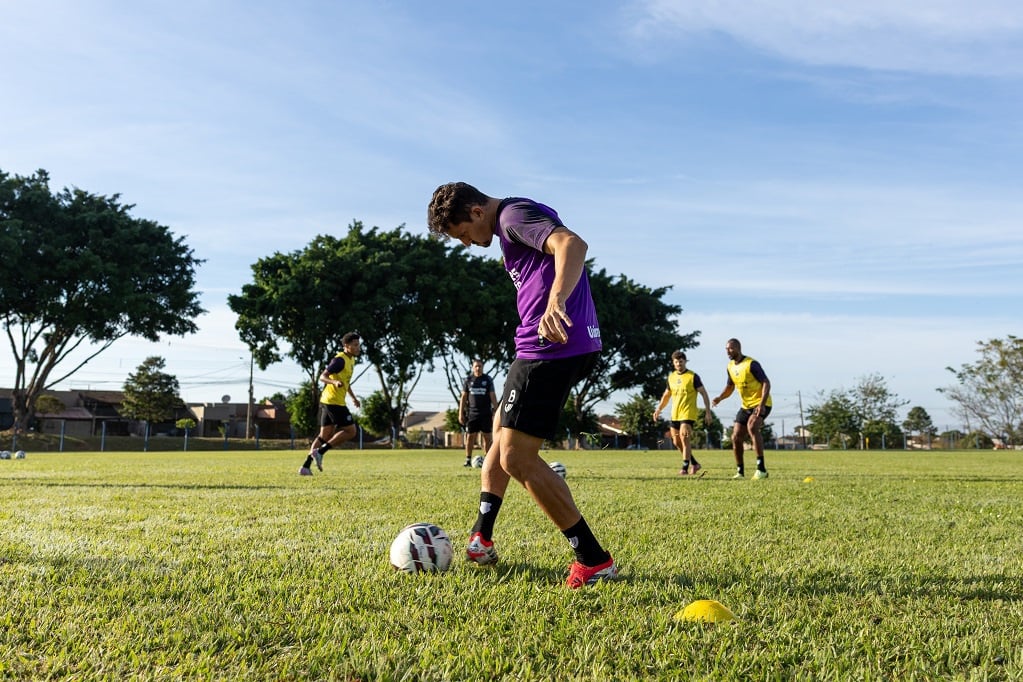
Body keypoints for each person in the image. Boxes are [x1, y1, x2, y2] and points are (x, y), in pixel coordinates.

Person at [427, 181, 617, 589]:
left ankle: (593, 559)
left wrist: (555, 301)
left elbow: (572, 244)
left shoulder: (513, 217)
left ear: (477, 212)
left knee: (516, 459)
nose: (466, 243)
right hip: (543, 347)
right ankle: (482, 534)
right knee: (500, 433)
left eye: (463, 234)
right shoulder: (510, 227)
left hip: (548, 348)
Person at [300, 332, 362, 476]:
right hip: (334, 402)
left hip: (329, 401)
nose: (358, 347)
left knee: (324, 435)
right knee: (351, 431)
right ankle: (320, 452)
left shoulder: (351, 360)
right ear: (346, 346)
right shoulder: (339, 360)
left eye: (358, 345)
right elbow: (323, 376)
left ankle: (305, 467)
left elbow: (346, 382)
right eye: (355, 345)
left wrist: (353, 397)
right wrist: (334, 382)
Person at [711, 338, 771, 479]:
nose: (728, 351)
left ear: (738, 348)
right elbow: (730, 387)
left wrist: (761, 404)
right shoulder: (730, 366)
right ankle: (740, 471)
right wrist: (720, 398)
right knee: (736, 436)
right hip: (746, 406)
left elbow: (766, 383)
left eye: (730, 348)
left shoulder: (751, 364)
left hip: (762, 403)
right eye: (726, 349)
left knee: (752, 427)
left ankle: (761, 469)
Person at [652, 350, 713, 476]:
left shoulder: (693, 377)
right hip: (675, 414)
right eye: (676, 362)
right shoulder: (671, 377)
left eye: (681, 361)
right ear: (673, 363)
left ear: (685, 362)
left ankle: (685, 468)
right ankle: (695, 464)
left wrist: (708, 411)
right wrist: (658, 409)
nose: (679, 364)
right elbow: (666, 395)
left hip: (688, 414)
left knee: (685, 440)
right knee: (676, 442)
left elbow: (704, 393)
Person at [459, 358, 498, 467]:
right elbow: (463, 397)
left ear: (482, 367)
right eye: (476, 366)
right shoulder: (468, 380)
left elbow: (492, 396)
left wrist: (496, 411)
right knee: (470, 436)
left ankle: (488, 460)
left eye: (480, 366)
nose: (478, 368)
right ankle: (468, 459)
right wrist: (460, 413)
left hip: (485, 413)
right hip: (472, 414)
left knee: (487, 437)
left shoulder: (488, 380)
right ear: (472, 367)